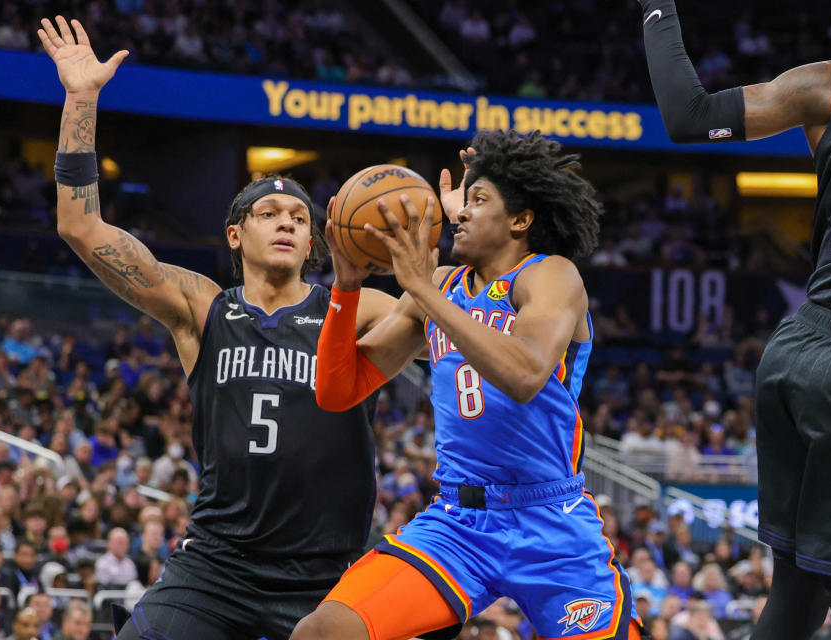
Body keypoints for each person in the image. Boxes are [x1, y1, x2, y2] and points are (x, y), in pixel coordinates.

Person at [37, 16, 395, 639]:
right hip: (218, 564)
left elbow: (445, 332)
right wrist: (80, 99)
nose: (286, 222)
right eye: (268, 212)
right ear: (237, 234)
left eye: (298, 217)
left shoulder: (356, 306)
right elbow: (80, 226)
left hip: (330, 571)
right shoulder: (203, 306)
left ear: (314, 239)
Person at [293, 130, 642, 639]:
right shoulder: (441, 286)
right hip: (457, 521)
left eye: (479, 200)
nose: (458, 211)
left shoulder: (550, 276)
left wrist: (419, 289)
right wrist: (347, 285)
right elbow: (338, 390)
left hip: (551, 521)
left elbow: (524, 374)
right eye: (464, 199)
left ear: (521, 220)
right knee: (320, 632)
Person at [635, 1, 831, 637]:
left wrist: (656, 6)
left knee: (797, 599)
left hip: (795, 349)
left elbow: (686, 116)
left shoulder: (827, 86)